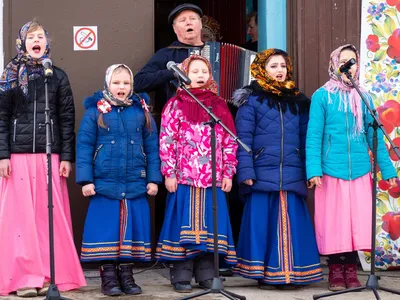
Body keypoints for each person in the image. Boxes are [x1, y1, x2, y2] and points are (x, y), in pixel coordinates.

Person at [0, 20, 86, 297]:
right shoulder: (9, 75)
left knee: (48, 218)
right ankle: (25, 277)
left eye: (41, 37)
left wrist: (67, 157)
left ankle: (53, 274)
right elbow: (0, 118)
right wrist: (2, 155)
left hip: (50, 155)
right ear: (22, 42)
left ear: (47, 43)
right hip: (18, 155)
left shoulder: (57, 75)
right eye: (31, 37)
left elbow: (66, 117)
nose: (36, 41)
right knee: (20, 220)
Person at [306, 44, 397, 291]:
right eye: (344, 61)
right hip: (330, 170)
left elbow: (374, 137)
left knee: (356, 220)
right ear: (334, 63)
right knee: (335, 221)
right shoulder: (322, 96)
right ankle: (335, 267)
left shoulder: (364, 97)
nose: (349, 65)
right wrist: (313, 169)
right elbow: (313, 135)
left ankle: (351, 268)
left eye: (353, 61)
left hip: (359, 169)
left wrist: (387, 170)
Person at [232, 49, 323, 289]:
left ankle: (291, 274)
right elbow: (242, 138)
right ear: (261, 69)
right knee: (264, 224)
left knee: (293, 224)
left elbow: (306, 138)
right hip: (262, 171)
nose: (279, 70)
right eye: (273, 66)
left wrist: (308, 170)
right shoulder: (251, 99)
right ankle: (264, 273)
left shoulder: (298, 100)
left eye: (282, 65)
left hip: (292, 171)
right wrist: (246, 171)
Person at [76, 64, 161, 296]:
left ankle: (126, 274)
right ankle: (109, 276)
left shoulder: (140, 111)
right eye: (116, 83)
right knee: (107, 230)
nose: (121, 87)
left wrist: (153, 179)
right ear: (107, 84)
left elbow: (152, 148)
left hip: (135, 182)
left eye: (125, 83)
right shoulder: (96, 111)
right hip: (105, 184)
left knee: (130, 230)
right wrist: (86, 180)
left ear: (131, 85)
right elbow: (84, 146)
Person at [155, 55, 238, 293]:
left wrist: (228, 172)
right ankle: (181, 274)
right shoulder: (176, 104)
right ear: (184, 74)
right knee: (184, 224)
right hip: (184, 177)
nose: (200, 75)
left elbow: (229, 142)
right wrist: (168, 172)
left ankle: (206, 274)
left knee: (210, 226)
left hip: (212, 179)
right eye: (195, 71)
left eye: (204, 71)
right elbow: (167, 140)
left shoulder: (218, 105)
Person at [134, 3, 204, 104]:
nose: (189, 22)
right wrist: (173, 72)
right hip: (181, 113)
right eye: (182, 20)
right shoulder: (167, 54)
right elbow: (138, 83)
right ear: (175, 29)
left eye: (193, 18)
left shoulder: (218, 51)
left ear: (201, 24)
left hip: (219, 114)